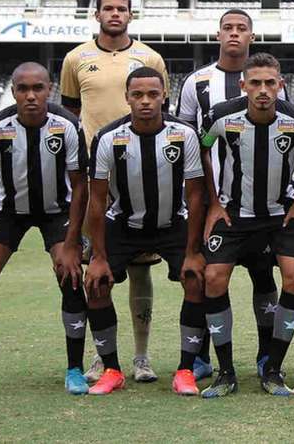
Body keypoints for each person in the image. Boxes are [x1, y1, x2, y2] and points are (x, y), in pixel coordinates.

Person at [0, 62, 89, 396]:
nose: (31, 96)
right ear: (13, 91)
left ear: (49, 89)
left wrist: (71, 245)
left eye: (38, 88)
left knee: (70, 276)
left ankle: (75, 370)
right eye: (23, 89)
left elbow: (80, 186)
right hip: (9, 210)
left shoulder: (68, 125)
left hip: (57, 211)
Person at [60, 0, 171, 383]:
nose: (115, 14)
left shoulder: (150, 58)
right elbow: (71, 115)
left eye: (122, 9)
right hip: (96, 178)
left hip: (140, 174)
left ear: (131, 14)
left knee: (141, 272)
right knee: (97, 269)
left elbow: (161, 112)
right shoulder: (76, 59)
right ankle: (101, 355)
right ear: (97, 14)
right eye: (108, 8)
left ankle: (141, 357)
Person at [176, 9, 288, 380]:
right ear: (217, 34)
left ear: (252, 36)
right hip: (217, 205)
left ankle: (264, 355)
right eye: (228, 28)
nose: (235, 34)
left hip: (264, 206)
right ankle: (204, 356)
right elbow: (193, 144)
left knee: (263, 276)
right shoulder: (197, 83)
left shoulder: (267, 84)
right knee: (208, 275)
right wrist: (206, 201)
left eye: (242, 29)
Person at [197, 53, 294, 397]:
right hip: (234, 213)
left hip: (282, 213)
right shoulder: (220, 116)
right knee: (213, 278)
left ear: (280, 84)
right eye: (255, 83)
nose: (263, 90)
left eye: (270, 83)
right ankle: (225, 372)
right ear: (243, 85)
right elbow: (203, 149)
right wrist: (214, 201)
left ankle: (274, 370)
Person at [83, 67, 206, 396]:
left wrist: (194, 252)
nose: (145, 101)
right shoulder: (109, 137)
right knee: (96, 285)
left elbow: (195, 195)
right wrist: (96, 256)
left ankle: (185, 370)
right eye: (137, 95)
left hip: (172, 223)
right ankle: (111, 369)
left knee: (196, 279)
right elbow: (96, 201)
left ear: (164, 95)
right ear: (127, 98)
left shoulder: (184, 134)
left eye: (153, 94)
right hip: (123, 224)